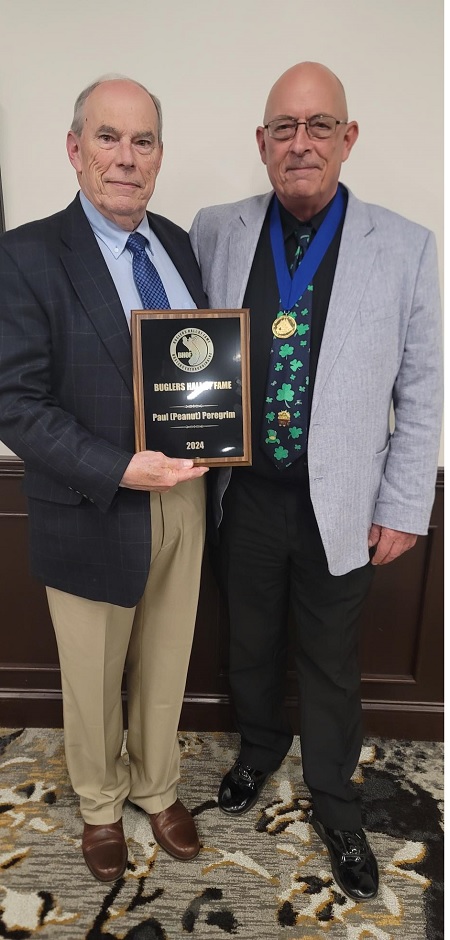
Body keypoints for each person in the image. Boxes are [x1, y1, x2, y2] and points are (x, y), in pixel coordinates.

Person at [190, 61, 442, 902]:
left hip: (342, 503)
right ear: (262, 144)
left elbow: (424, 386)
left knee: (331, 663)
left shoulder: (406, 246)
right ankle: (259, 752)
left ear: (348, 137)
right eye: (284, 129)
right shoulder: (217, 228)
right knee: (251, 642)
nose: (301, 143)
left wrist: (406, 504)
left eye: (319, 126)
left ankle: (336, 803)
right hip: (244, 495)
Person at [0, 76, 209, 882]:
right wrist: (120, 465)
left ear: (160, 155)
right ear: (74, 149)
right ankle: (97, 803)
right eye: (109, 138)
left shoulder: (179, 245)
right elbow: (14, 403)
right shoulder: (25, 253)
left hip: (185, 496)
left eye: (143, 140)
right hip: (91, 500)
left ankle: (156, 788)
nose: (126, 158)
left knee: (167, 657)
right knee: (91, 676)